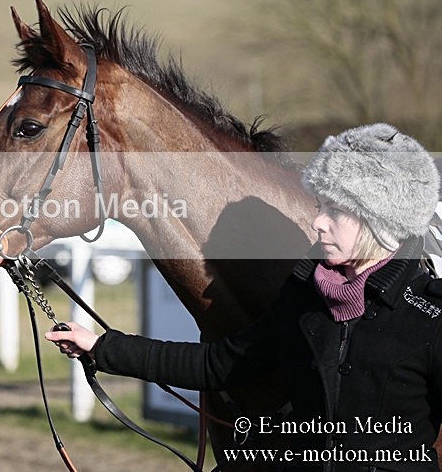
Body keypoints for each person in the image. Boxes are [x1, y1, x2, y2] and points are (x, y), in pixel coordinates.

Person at [45, 123, 442, 471]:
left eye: (335, 211)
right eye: (320, 206)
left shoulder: (431, 317)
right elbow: (219, 365)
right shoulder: (303, 296)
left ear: (381, 219)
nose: (317, 222)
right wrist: (100, 346)